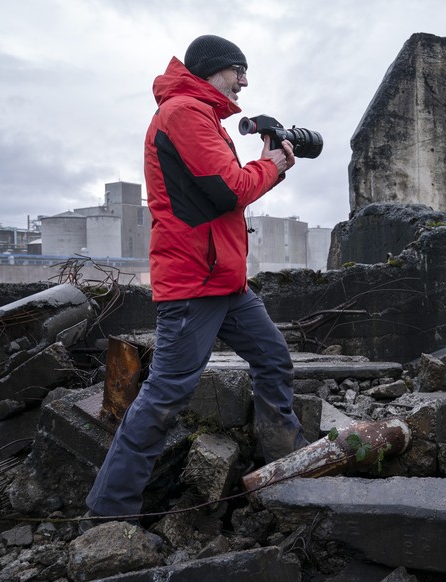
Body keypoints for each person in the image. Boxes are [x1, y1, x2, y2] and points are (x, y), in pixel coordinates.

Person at [84, 34, 309, 524]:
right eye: (237, 70)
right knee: (166, 394)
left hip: (227, 284)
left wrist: (270, 166)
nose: (245, 80)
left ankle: (283, 459)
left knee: (273, 359)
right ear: (211, 70)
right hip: (194, 285)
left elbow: (221, 192)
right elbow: (228, 190)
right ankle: (109, 513)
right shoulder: (184, 113)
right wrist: (272, 163)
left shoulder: (203, 116)